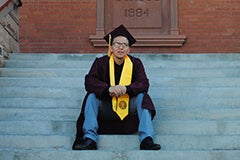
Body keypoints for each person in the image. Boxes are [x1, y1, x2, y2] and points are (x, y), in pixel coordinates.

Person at [72, 24, 161, 150]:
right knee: (91, 96)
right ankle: (90, 139)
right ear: (111, 47)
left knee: (143, 97)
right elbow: (89, 81)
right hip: (106, 106)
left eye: (124, 45)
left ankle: (146, 139)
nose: (120, 47)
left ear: (129, 49)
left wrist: (127, 89)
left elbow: (144, 83)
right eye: (117, 44)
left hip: (129, 107)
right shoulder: (101, 63)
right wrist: (107, 89)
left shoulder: (136, 63)